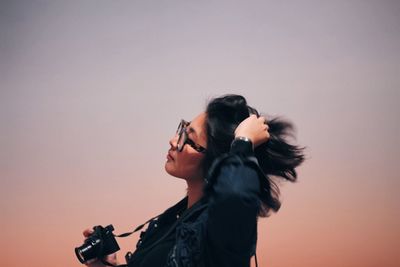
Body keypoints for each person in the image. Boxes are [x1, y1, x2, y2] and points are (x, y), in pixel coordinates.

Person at [82, 94, 305, 267]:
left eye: (189, 139)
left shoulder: (222, 229)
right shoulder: (171, 222)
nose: (173, 141)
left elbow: (235, 194)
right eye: (182, 130)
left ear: (217, 160)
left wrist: (243, 142)